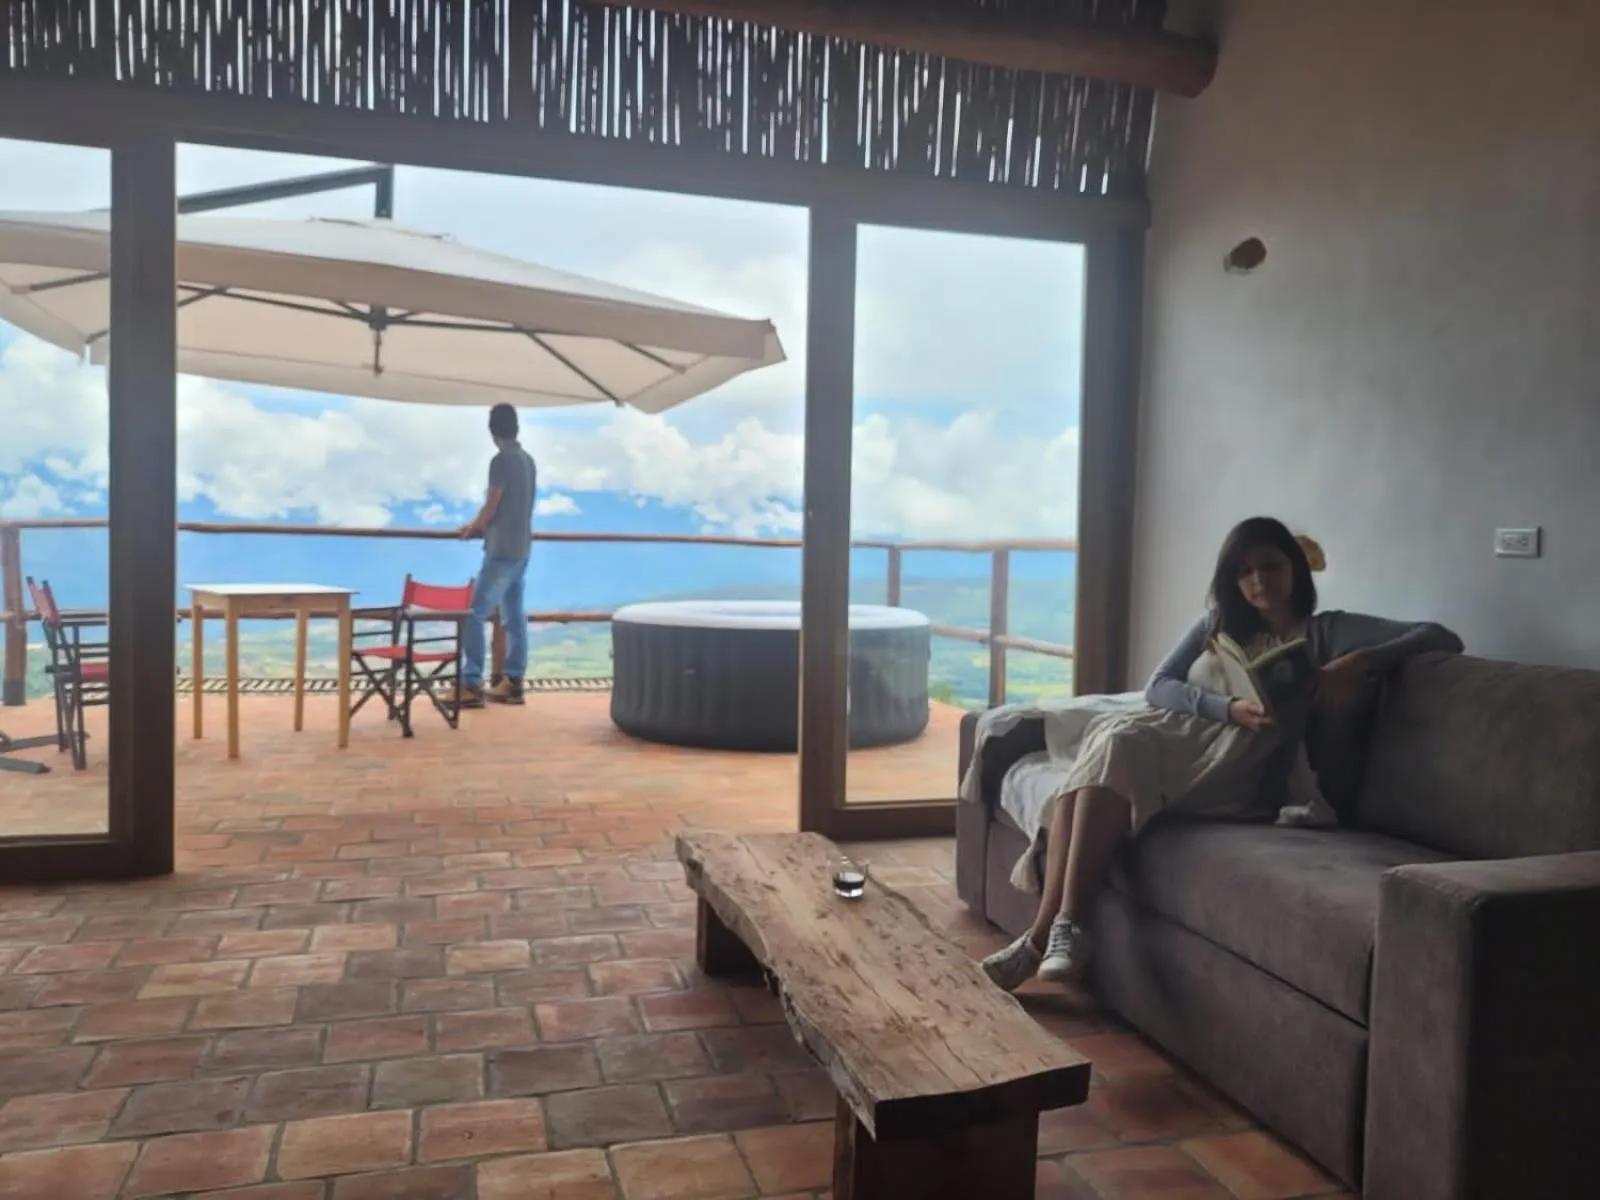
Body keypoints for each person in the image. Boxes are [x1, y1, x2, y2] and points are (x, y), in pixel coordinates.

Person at [980, 516, 1463, 992]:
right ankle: (1058, 930)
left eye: (1270, 567)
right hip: (1184, 733)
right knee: (1110, 746)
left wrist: (1361, 660)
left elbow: (1441, 636)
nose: (1258, 581)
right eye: (1245, 571)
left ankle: (1041, 939)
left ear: (1295, 569)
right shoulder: (1217, 625)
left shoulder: (1329, 631)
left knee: (1103, 761)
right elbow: (1159, 687)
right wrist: (1227, 707)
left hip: (1239, 763)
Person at [458, 403, 537, 707]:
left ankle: (471, 683)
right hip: (522, 548)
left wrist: (471, 528)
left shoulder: (501, 461)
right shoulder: (528, 461)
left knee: (474, 613)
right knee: (514, 614)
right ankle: (513, 682)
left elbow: (492, 507)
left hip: (502, 549)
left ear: (493, 432)